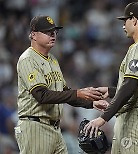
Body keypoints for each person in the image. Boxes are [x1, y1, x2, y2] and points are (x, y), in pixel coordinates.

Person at [15, 15, 108, 154]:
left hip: (55, 129)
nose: (53, 35)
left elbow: (65, 92)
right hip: (35, 127)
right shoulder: (28, 59)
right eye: (47, 32)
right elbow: (42, 95)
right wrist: (77, 93)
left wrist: (90, 103)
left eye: (54, 31)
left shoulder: (52, 59)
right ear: (33, 35)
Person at [84, 2, 138, 154]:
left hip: (135, 118)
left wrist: (103, 118)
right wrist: (111, 91)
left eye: (125, 20)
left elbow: (130, 85)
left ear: (134, 20)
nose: (123, 25)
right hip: (135, 116)